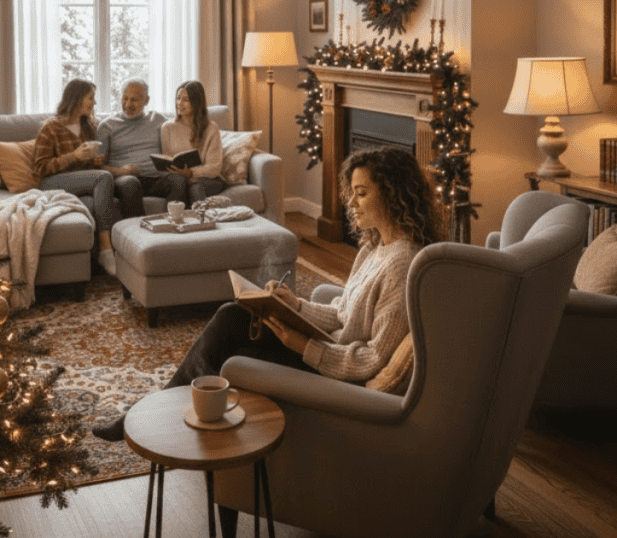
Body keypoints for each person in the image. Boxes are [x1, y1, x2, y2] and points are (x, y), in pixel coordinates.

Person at [93, 146, 445, 441]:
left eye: (363, 193)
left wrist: (302, 345)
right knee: (233, 317)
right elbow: (343, 314)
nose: (351, 202)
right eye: (351, 191)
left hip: (332, 371)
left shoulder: (401, 263)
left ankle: (155, 416)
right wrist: (294, 304)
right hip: (327, 346)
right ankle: (165, 414)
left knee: (234, 346)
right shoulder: (374, 246)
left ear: (395, 194)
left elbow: (372, 360)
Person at [34, 78, 139, 276]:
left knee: (91, 203)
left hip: (79, 184)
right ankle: (107, 251)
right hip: (51, 182)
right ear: (76, 99)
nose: (94, 103)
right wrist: (73, 156)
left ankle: (92, 269)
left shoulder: (89, 126)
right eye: (90, 98)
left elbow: (88, 168)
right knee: (103, 177)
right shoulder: (51, 127)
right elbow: (39, 168)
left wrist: (94, 161)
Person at [98, 78, 186, 214]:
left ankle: (173, 227)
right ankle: (138, 233)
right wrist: (121, 171)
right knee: (130, 184)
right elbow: (98, 166)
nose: (128, 104)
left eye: (134, 100)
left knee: (178, 180)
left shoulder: (157, 120)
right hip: (125, 179)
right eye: (125, 98)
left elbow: (178, 139)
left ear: (146, 100)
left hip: (156, 179)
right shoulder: (107, 126)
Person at [159, 80, 224, 205]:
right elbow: (166, 162)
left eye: (186, 100)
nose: (179, 103)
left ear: (197, 103)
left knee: (195, 188)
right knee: (180, 184)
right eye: (178, 99)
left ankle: (202, 222)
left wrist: (191, 173)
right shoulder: (167, 128)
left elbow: (214, 167)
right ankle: (176, 222)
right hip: (179, 180)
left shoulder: (211, 128)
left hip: (207, 180)